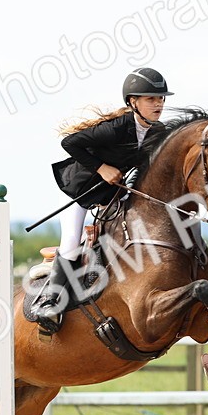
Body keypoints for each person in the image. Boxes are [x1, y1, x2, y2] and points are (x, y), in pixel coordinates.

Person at [30, 67, 174, 326]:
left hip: (113, 193)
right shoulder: (116, 128)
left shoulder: (158, 131)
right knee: (72, 239)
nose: (158, 104)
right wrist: (101, 168)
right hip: (80, 191)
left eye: (161, 99)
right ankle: (50, 302)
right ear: (133, 102)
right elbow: (70, 142)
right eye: (151, 98)